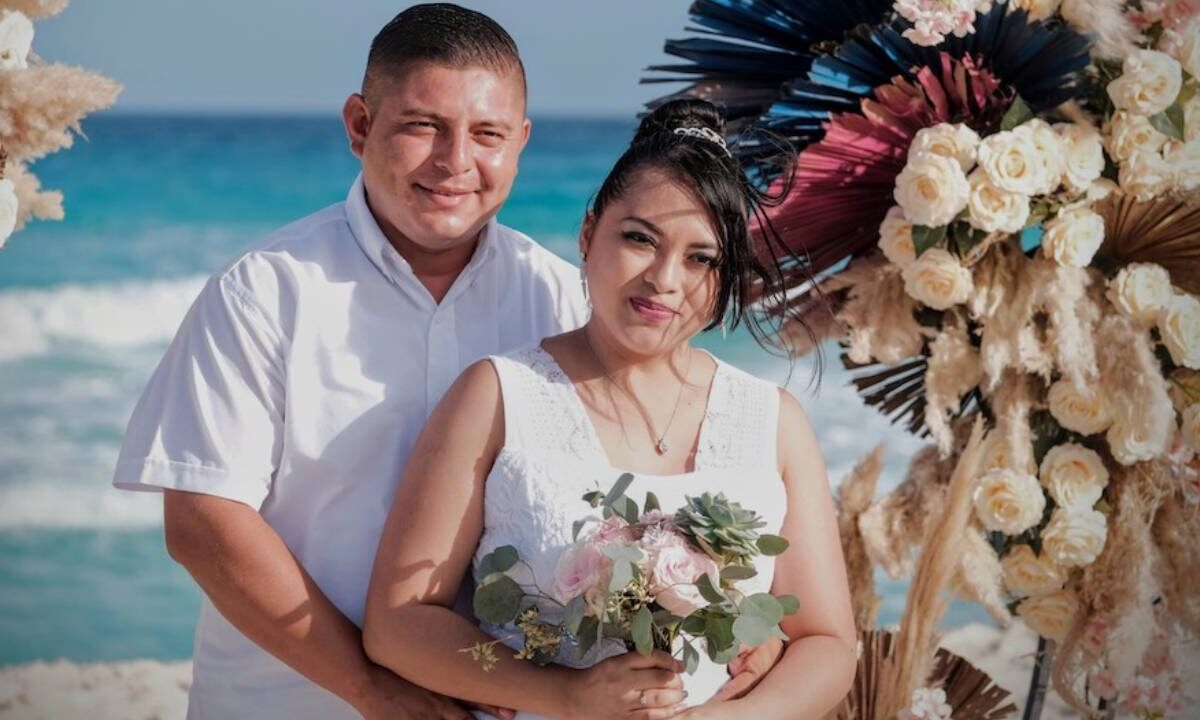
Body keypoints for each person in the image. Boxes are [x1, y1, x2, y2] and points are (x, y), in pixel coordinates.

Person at [112, 5, 779, 718]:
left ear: (520, 143)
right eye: (423, 126)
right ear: (360, 126)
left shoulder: (562, 297)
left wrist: (740, 624)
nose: (456, 161)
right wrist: (371, 688)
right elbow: (204, 523)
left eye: (487, 134)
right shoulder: (267, 291)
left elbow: (649, 490)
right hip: (288, 702)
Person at [362, 99, 858, 720]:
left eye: (701, 258)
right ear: (589, 232)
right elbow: (399, 623)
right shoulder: (497, 396)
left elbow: (827, 643)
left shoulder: (773, 421)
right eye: (640, 239)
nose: (665, 279)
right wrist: (562, 695)